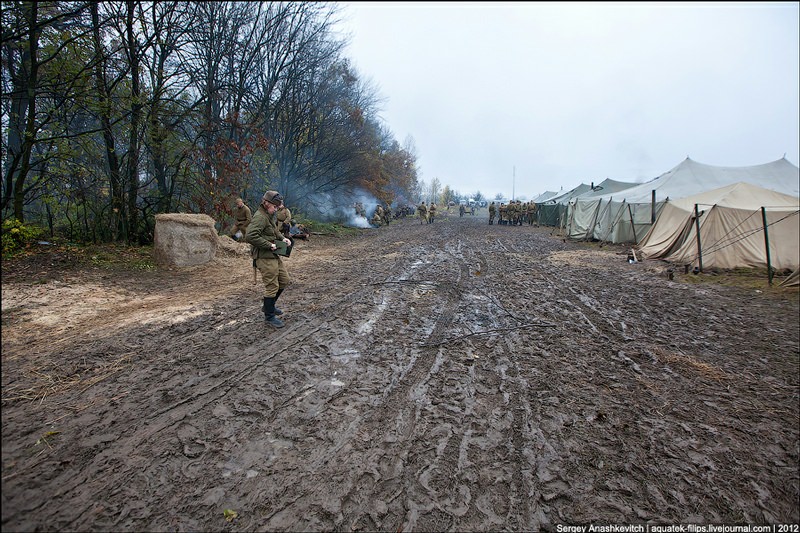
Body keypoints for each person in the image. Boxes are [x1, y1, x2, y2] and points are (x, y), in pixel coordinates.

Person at [246, 190, 292, 328]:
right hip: (264, 256)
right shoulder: (260, 217)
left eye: (278, 207)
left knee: (284, 280)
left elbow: (274, 230)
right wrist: (269, 245)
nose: (276, 209)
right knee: (272, 286)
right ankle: (269, 317)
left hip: (273, 254)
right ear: (266, 203)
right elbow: (250, 236)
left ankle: (269, 307)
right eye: (275, 207)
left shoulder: (268, 215)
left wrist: (282, 238)